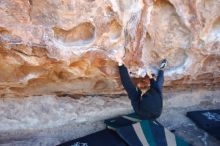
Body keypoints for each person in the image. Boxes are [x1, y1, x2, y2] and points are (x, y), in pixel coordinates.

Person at [115, 51, 167, 120]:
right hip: (156, 111)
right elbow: (155, 86)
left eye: (141, 86)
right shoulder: (156, 94)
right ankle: (162, 69)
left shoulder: (138, 109)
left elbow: (127, 84)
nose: (143, 84)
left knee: (158, 86)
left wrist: (120, 64)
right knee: (158, 85)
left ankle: (162, 70)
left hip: (155, 112)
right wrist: (150, 77)